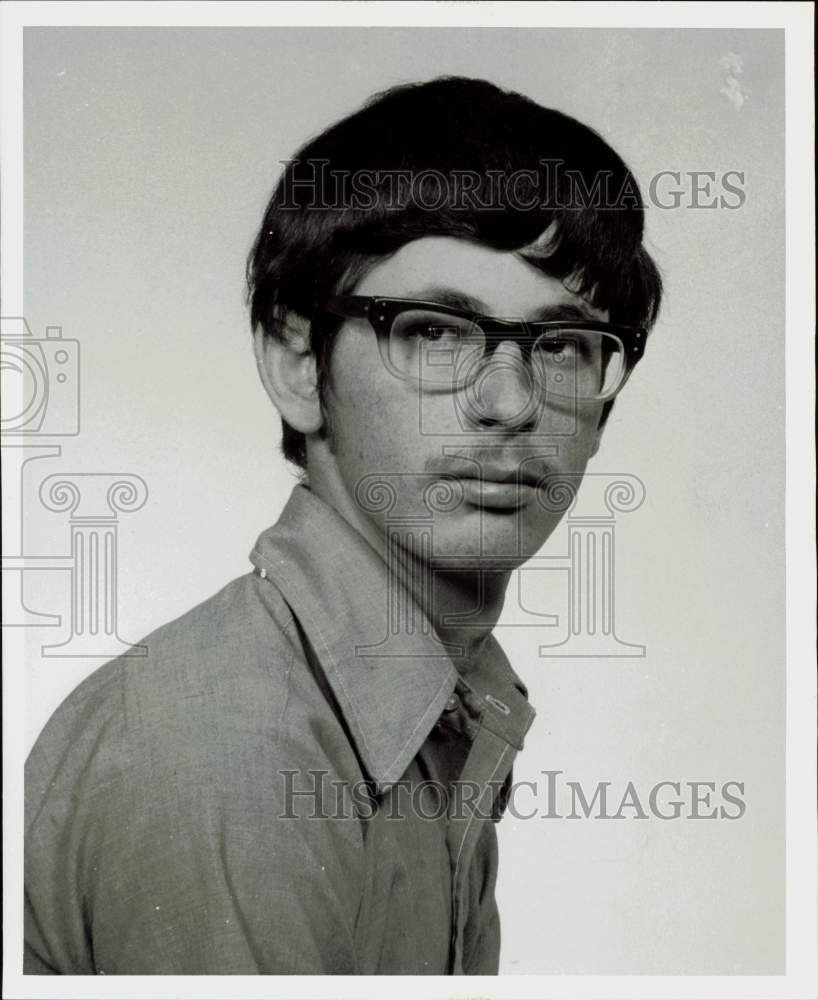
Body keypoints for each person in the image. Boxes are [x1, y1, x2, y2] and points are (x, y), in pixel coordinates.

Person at [24, 76, 661, 975]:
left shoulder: (437, 708)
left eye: (560, 345)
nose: (510, 403)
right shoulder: (240, 755)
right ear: (295, 362)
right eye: (436, 332)